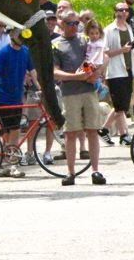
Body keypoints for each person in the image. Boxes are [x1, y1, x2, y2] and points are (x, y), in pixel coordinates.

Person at [52, 10, 107, 186]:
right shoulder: (56, 44)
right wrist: (76, 77)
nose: (74, 27)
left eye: (76, 23)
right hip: (70, 93)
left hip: (89, 90)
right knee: (70, 132)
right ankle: (70, 172)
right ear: (62, 24)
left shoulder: (85, 40)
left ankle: (95, 170)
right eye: (70, 23)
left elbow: (103, 56)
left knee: (92, 129)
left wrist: (97, 73)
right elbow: (54, 71)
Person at [0, 31, 41, 179]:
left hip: (17, 97)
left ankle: (7, 162)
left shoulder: (25, 52)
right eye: (18, 35)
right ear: (12, 36)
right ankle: (12, 164)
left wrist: (40, 87)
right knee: (11, 131)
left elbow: (32, 71)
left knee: (10, 132)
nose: (20, 38)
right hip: (3, 97)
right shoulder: (3, 53)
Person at [98, 3, 134, 146]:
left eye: (126, 10)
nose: (123, 12)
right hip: (115, 71)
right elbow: (105, 52)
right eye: (120, 10)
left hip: (128, 70)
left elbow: (132, 51)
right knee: (120, 106)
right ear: (115, 12)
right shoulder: (109, 30)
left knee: (122, 104)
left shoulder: (128, 28)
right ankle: (124, 135)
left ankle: (104, 129)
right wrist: (121, 50)